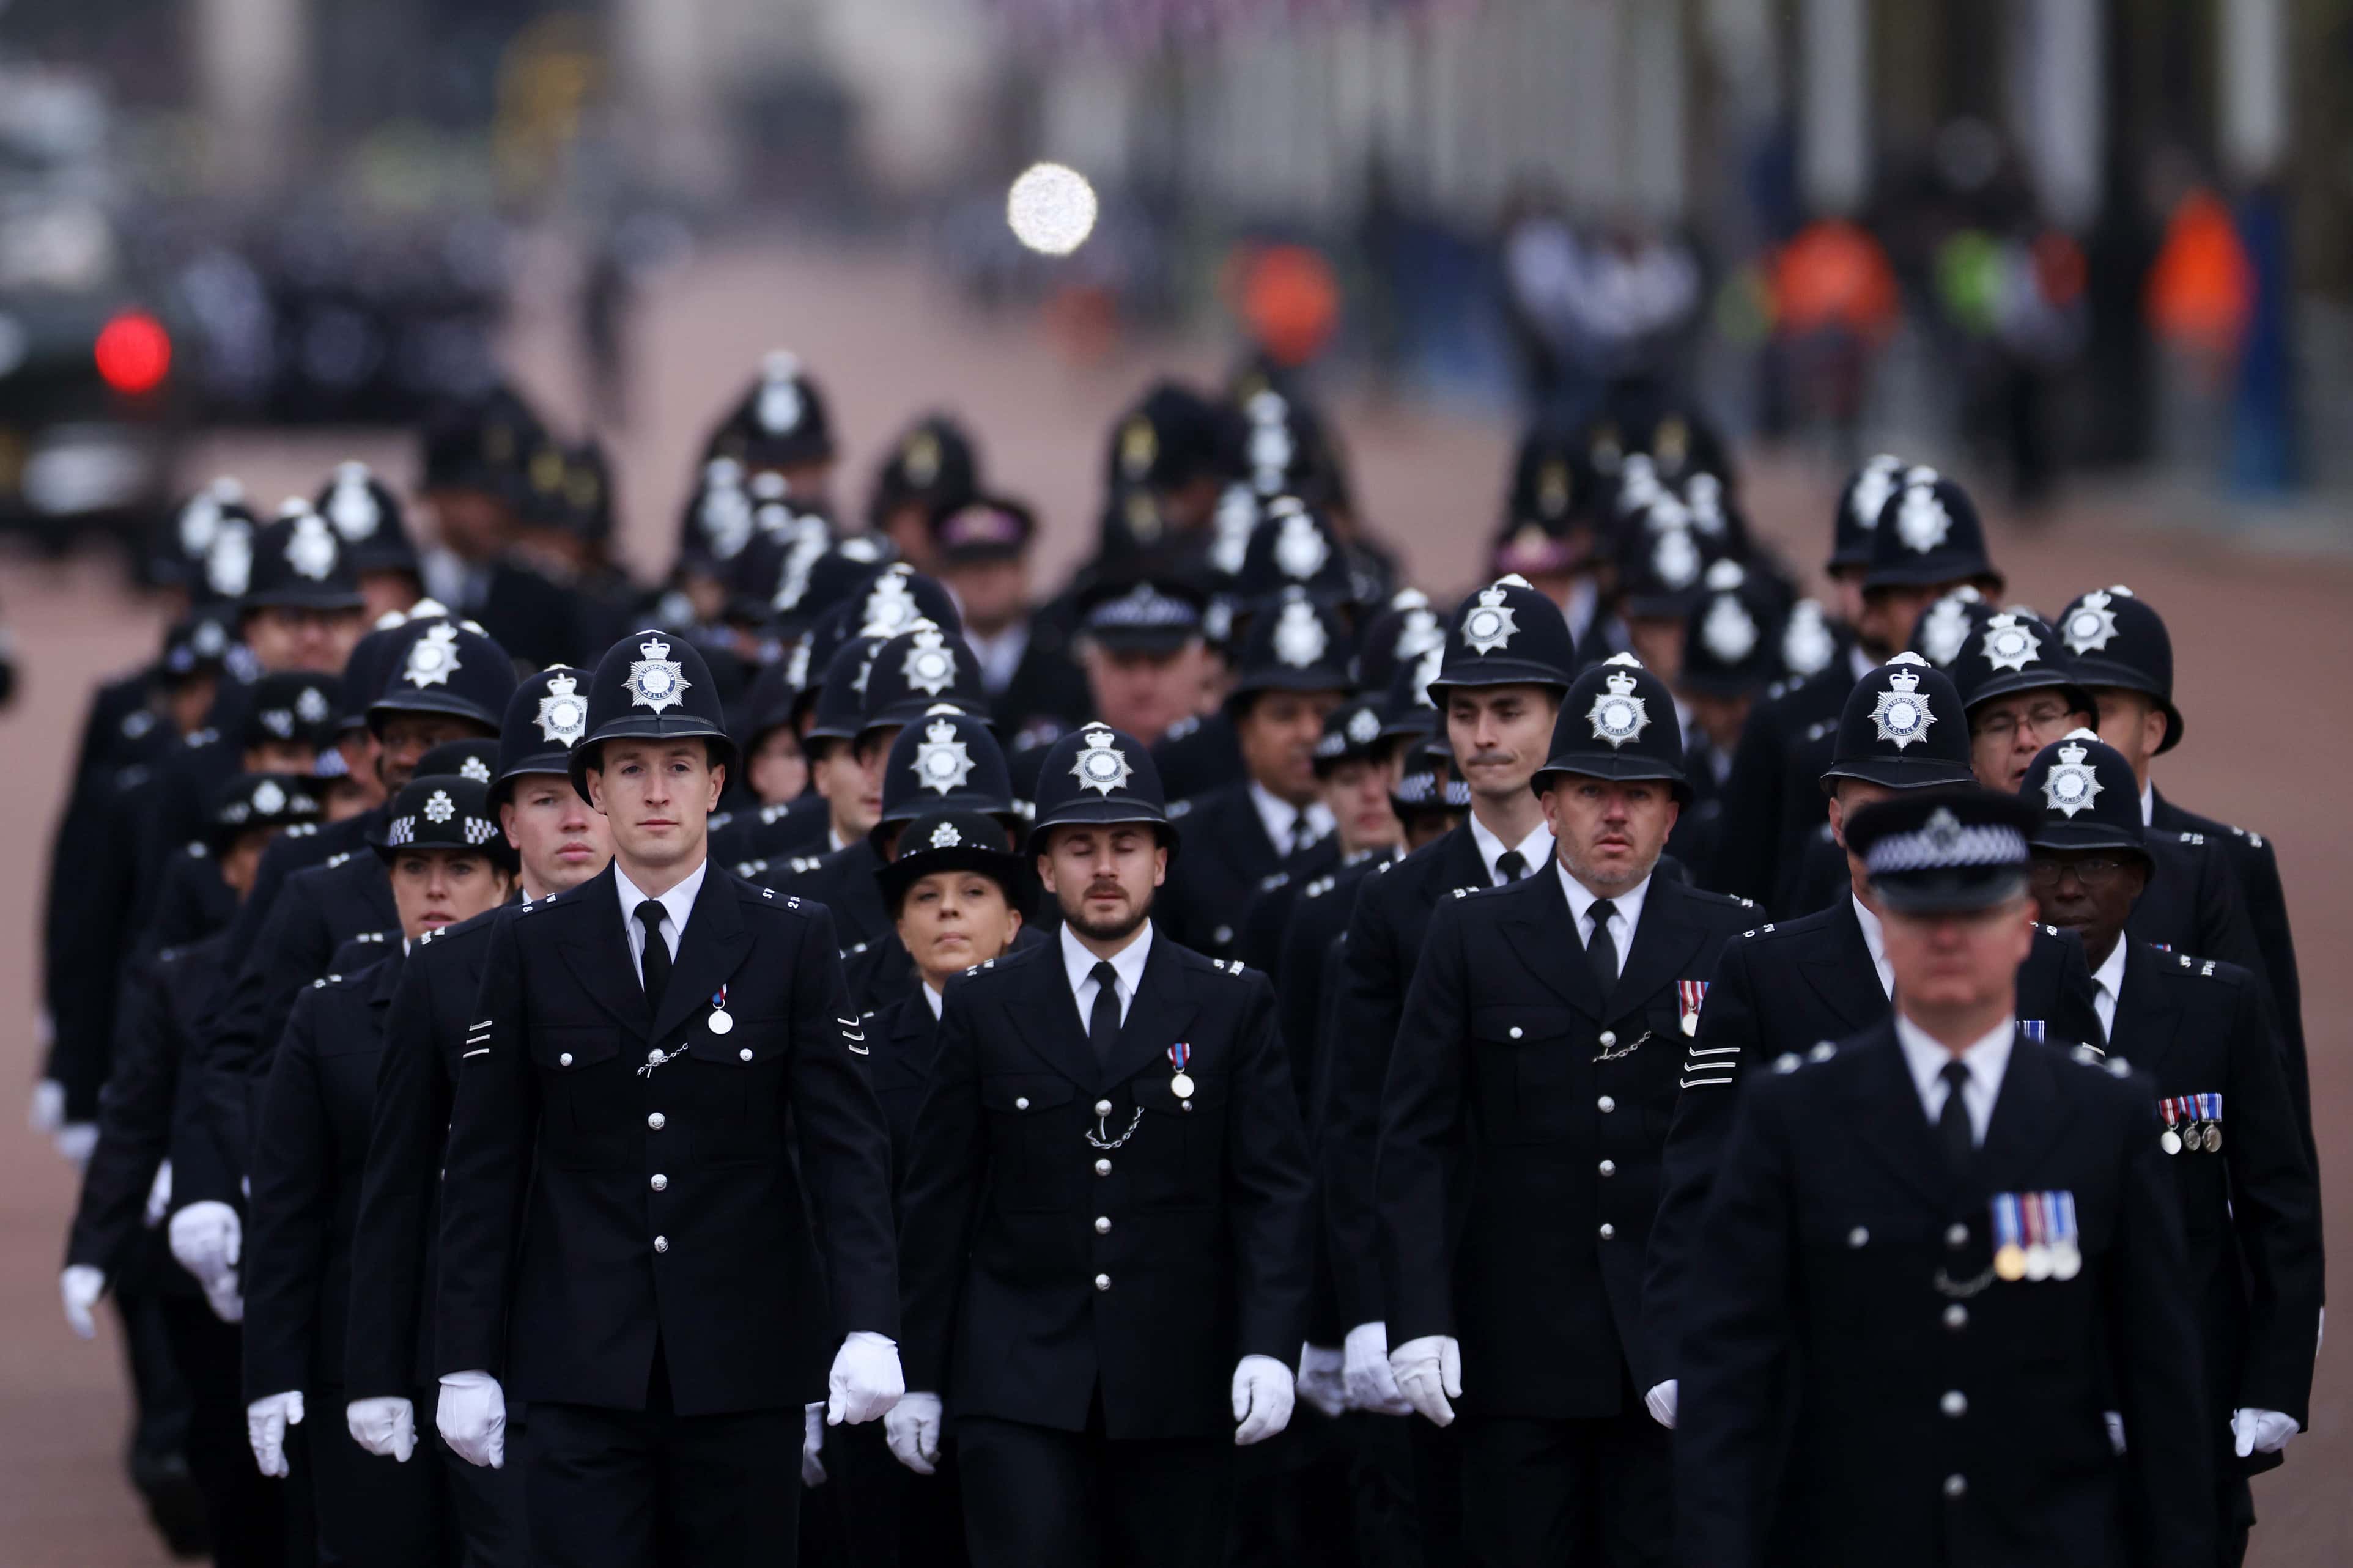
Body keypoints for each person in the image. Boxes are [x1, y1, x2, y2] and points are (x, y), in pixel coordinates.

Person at [434, 628, 903, 1568]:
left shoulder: (789, 941)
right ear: (595, 787)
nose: (656, 791)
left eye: (680, 764)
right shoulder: (528, 948)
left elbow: (843, 1147)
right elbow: (486, 1162)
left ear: (717, 785)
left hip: (744, 1363)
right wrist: (464, 1355)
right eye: (631, 766)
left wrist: (869, 1321)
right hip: (578, 1366)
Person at [1676, 788, 2217, 1568]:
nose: (1948, 936)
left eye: (1979, 911)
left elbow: (2160, 1389)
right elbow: (1731, 1378)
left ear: (2022, 928)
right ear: (1886, 929)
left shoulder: (2107, 1117)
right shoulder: (1793, 1117)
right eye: (1921, 913)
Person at [887, 721, 1314, 1567]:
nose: (1106, 868)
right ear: (1044, 870)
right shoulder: (986, 1003)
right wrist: (922, 1372)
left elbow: (1273, 1191)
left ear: (1162, 860)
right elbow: (941, 1199)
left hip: (1180, 1378)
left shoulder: (1231, 1003)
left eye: (1127, 844)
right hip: (1018, 1381)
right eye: (1080, 847)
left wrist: (1270, 1344)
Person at [1643, 656, 2103, 1424]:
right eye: (1872, 807)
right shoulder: (1760, 968)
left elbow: (2091, 1180)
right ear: (1832, 818)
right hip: (1818, 1366)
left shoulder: (2043, 961)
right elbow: (1701, 1176)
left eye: (1920, 804)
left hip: (2005, 1363)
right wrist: (1672, 1347)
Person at [1375, 654, 1753, 1567]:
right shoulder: (1470, 934)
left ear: (1672, 810)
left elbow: (1755, 1157)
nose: (1613, 814)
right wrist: (1420, 1314)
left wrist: (1743, 1330)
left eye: (1639, 793)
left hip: (1672, 1357)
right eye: (1589, 790)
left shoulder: (1735, 938)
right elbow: (1415, 1139)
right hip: (1515, 1353)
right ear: (1549, 805)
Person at [1320, 574, 1579, 1566]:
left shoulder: (1613, 886)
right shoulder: (1396, 905)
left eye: (1508, 710)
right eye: (1463, 712)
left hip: (1581, 1297)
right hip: (1446, 1297)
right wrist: (1374, 1311)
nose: (1481, 736)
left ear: (1562, 715)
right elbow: (1359, 1124)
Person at [2019, 731, 2320, 1567]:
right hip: (2032, 1413)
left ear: (2140, 877)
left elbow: (2279, 1205)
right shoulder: (1979, 1014)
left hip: (2189, 1401)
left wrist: (2274, 1384)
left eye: (2099, 863)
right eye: (2048, 862)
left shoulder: (2217, 1007)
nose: (2072, 887)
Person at [342, 666, 613, 1567]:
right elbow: (401, 1185)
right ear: (507, 823)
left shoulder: (713, 953)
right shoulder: (444, 970)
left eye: (590, 792)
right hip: (497, 1354)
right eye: (546, 796)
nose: (573, 818)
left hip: (667, 1360)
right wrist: (381, 1374)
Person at [242, 773, 519, 1565]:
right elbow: (290, 1208)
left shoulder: (542, 994)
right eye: (411, 868)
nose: (434, 887)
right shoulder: (328, 1013)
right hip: (361, 1353)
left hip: (506, 1353)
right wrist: (271, 1367)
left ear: (504, 881)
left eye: (460, 868)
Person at [61, 771, 322, 1568]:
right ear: (230, 866)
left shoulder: (347, 959)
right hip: (206, 1262)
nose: (274, 858)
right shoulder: (183, 975)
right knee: (221, 1449)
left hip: (315, 1252)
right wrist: (92, 1248)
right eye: (255, 847)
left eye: (293, 844)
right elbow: (137, 1116)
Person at [2058, 585, 2311, 1159]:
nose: (2081, 732)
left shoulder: (2228, 860)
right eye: (2068, 710)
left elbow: (2276, 1084)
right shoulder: (2021, 856)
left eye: (2103, 711)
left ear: (2153, 730)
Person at [1712, 470, 1999, 910]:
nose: (1938, 610)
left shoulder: (2017, 725)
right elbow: (1745, 897)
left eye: (1952, 588)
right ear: (1874, 606)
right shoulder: (1791, 728)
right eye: (1912, 593)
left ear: (1990, 596)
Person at [1159, 593, 1353, 957]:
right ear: (1245, 730)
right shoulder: (1184, 846)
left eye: (1325, 713)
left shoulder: (1375, 832)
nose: (1309, 733)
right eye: (1284, 714)